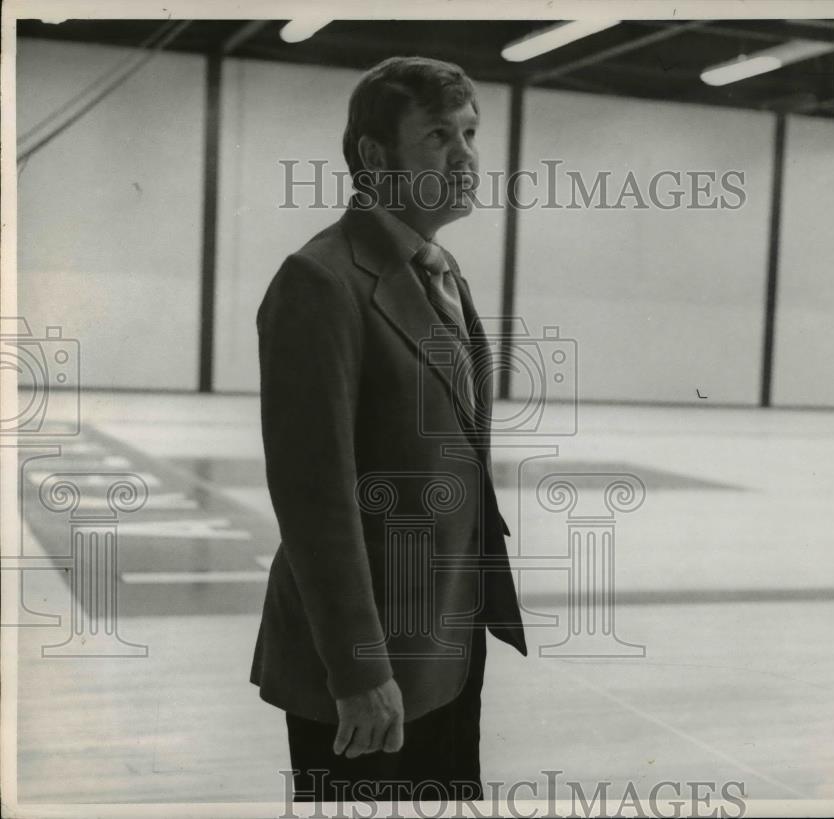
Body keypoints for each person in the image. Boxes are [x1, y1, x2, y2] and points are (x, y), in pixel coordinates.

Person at [250, 56, 527, 804]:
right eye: (439, 136)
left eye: (470, 133)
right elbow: (315, 500)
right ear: (375, 157)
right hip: (368, 665)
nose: (467, 157)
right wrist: (361, 669)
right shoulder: (321, 281)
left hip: (444, 640)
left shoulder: (440, 270)